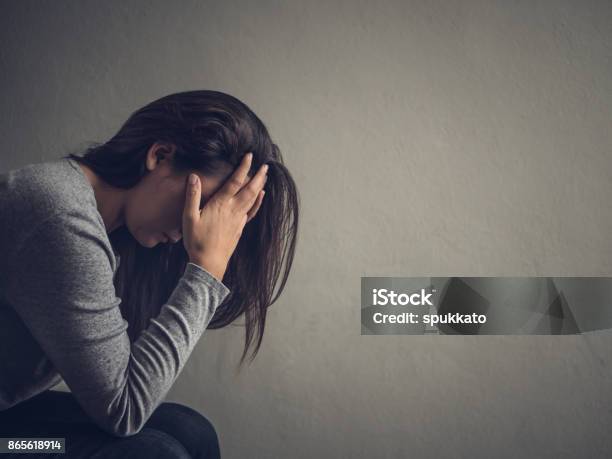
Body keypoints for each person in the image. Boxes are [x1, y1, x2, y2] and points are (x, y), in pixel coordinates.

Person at [0, 90, 300, 457]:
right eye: (202, 206)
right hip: (13, 444)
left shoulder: (103, 229)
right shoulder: (60, 215)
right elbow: (124, 410)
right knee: (156, 453)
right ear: (160, 156)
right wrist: (207, 268)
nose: (196, 228)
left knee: (189, 430)